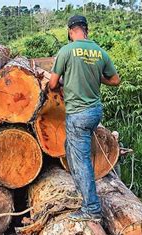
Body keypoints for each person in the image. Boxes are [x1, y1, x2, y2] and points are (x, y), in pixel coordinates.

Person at [49, 15, 121, 222]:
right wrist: (96, 75)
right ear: (86, 30)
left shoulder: (66, 51)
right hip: (94, 111)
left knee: (81, 162)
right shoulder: (99, 52)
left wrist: (64, 80)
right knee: (70, 151)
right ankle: (82, 194)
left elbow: (53, 84)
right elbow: (115, 80)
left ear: (71, 31)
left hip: (78, 114)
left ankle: (91, 209)